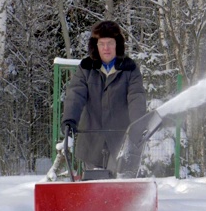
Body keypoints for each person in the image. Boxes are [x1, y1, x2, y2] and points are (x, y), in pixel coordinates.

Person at [62, 20, 147, 176]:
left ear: (117, 44)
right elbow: (75, 95)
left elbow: (136, 97)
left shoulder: (129, 69)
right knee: (94, 187)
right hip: (92, 141)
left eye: (110, 43)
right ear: (96, 45)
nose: (106, 48)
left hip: (120, 141)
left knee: (119, 187)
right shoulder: (86, 68)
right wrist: (69, 120)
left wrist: (138, 123)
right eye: (102, 44)